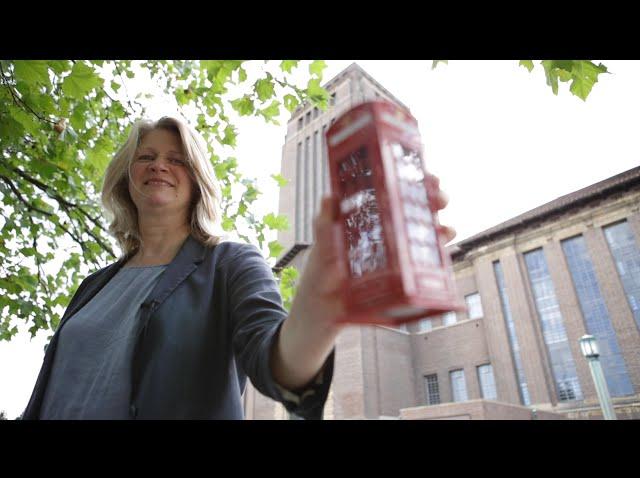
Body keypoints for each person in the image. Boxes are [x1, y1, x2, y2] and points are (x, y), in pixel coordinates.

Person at [21, 115, 455, 420]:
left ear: (196, 181)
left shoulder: (230, 263)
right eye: (146, 156)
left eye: (177, 159)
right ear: (125, 176)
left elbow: (277, 365)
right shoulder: (93, 286)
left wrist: (322, 302)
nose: (159, 165)